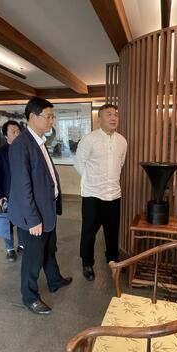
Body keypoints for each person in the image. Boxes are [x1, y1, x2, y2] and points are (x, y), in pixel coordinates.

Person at [8, 97, 72, 315]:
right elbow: (22, 186)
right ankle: (30, 297)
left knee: (49, 249)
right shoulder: (21, 145)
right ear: (33, 117)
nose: (52, 120)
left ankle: (54, 280)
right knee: (32, 259)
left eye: (53, 116)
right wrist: (33, 219)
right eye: (49, 116)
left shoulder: (39, 141)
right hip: (34, 216)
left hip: (47, 209)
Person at [73, 103, 127, 281]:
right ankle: (87, 263)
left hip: (114, 193)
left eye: (115, 114)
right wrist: (92, 181)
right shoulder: (89, 139)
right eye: (109, 114)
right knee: (89, 231)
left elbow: (120, 164)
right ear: (100, 118)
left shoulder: (122, 141)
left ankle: (113, 258)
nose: (113, 118)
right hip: (93, 195)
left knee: (112, 230)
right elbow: (78, 164)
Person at [0, 120, 26, 262]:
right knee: (8, 223)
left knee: (23, 221)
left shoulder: (24, 150)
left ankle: (22, 245)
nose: (17, 134)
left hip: (23, 194)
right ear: (6, 135)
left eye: (18, 131)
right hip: (7, 195)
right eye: (13, 131)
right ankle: (10, 249)